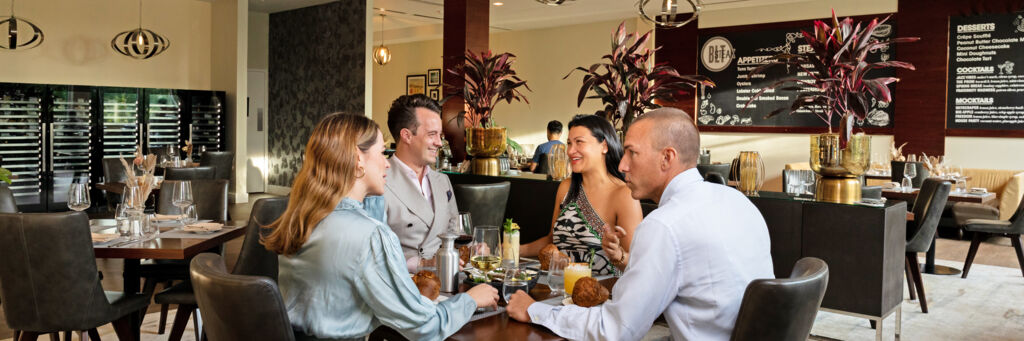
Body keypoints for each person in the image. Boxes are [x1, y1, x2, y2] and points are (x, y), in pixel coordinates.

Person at [507, 108, 774, 341]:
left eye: (632, 153)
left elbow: (617, 329)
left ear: (667, 158)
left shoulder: (664, 226)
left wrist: (534, 310)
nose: (622, 165)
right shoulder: (738, 202)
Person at [263, 113, 498, 340]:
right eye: (382, 153)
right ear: (358, 159)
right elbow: (425, 327)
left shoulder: (302, 219)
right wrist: (471, 300)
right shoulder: (371, 236)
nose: (387, 164)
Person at [521, 115, 642, 276]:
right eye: (569, 143)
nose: (570, 151)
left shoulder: (624, 195)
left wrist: (617, 255)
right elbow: (552, 240)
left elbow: (637, 265)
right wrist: (510, 249)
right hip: (559, 289)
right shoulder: (567, 187)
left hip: (603, 293)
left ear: (604, 146)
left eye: (579, 142)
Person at [382, 94, 462, 270]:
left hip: (449, 278)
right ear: (407, 136)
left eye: (440, 135)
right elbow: (373, 254)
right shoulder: (379, 181)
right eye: (432, 134)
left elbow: (456, 233)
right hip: (404, 283)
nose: (439, 143)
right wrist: (423, 263)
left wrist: (473, 249)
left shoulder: (443, 181)